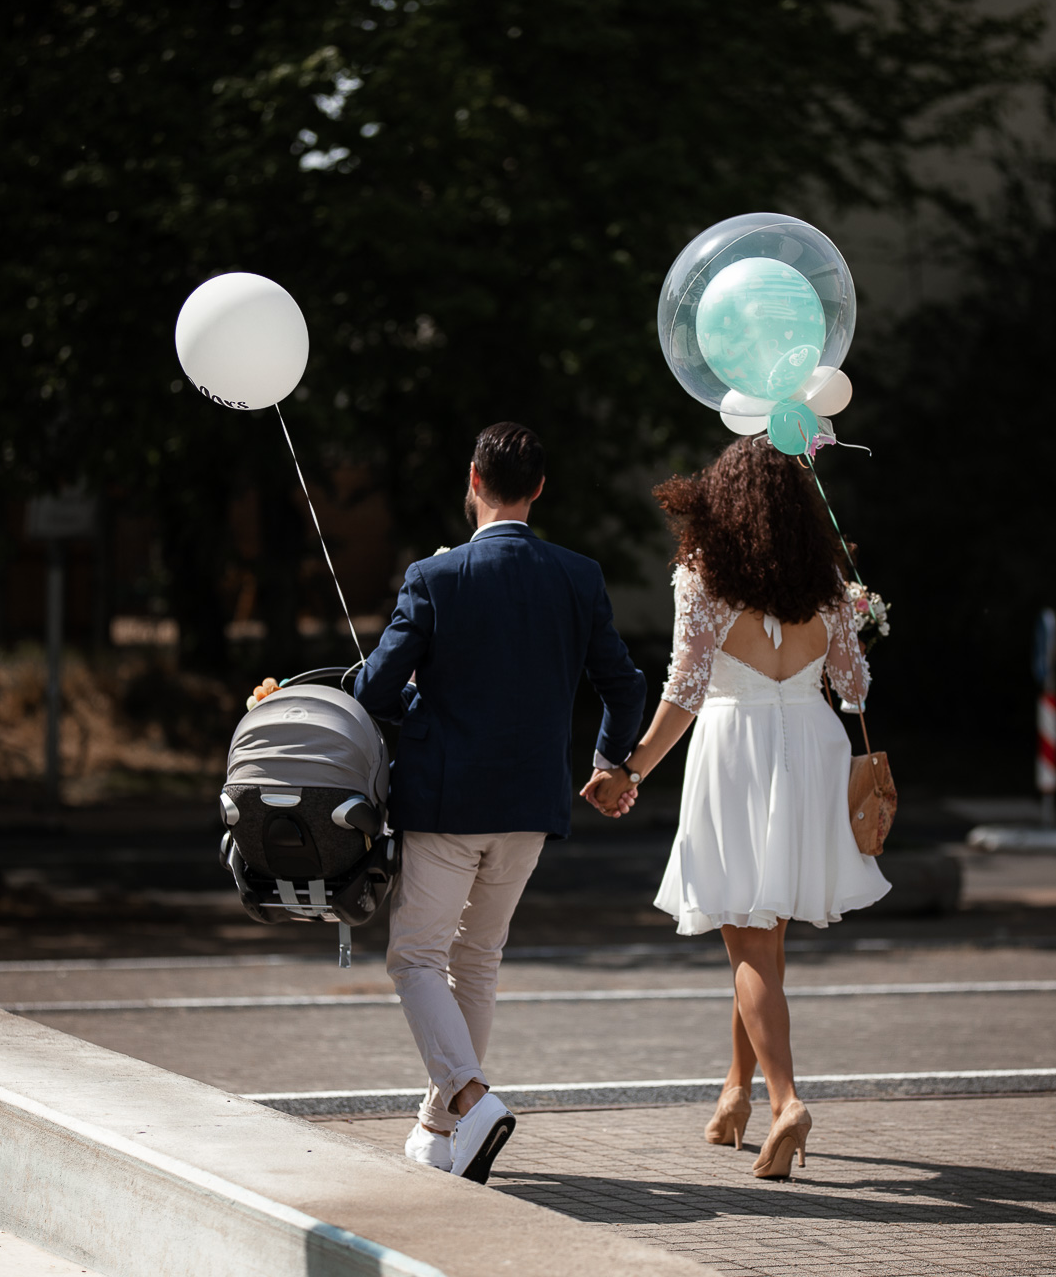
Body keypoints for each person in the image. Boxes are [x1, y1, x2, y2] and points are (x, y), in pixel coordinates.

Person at [582, 434, 890, 1179]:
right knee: (763, 940)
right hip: (810, 748)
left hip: (736, 748)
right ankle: (735, 1097)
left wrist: (629, 771)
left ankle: (786, 1102)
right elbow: (854, 689)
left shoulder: (704, 576)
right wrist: (855, 616)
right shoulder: (827, 581)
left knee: (748, 937)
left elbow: (684, 693)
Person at [354, 422, 647, 1182]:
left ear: (473, 481)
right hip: (533, 806)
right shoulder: (578, 575)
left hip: (448, 804)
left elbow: (377, 690)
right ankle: (439, 1128)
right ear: (539, 489)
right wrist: (608, 762)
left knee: (415, 957)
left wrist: (405, 702)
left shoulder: (435, 576)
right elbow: (625, 683)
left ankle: (473, 1097)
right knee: (477, 961)